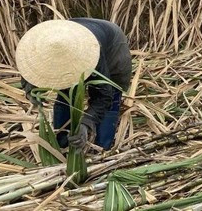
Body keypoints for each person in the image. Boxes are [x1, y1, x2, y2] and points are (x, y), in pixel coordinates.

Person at [17, 18, 132, 151]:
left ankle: (101, 148)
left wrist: (85, 123)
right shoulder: (37, 49)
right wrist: (31, 91)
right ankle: (62, 143)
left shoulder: (92, 50)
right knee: (66, 94)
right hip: (68, 38)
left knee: (111, 95)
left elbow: (104, 96)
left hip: (112, 47)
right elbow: (29, 72)